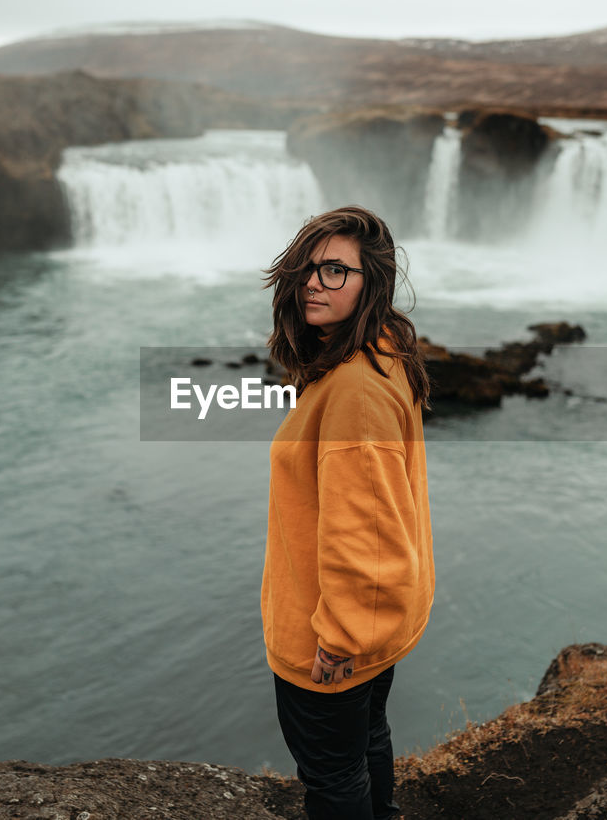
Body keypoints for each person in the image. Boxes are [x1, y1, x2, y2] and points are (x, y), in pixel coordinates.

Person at [261, 206, 435, 820]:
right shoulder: (383, 352)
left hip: (328, 636)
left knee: (332, 776)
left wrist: (338, 638)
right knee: (366, 742)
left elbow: (365, 528)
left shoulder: (354, 390)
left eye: (336, 270)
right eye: (308, 268)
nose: (313, 282)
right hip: (373, 625)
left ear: (372, 283)